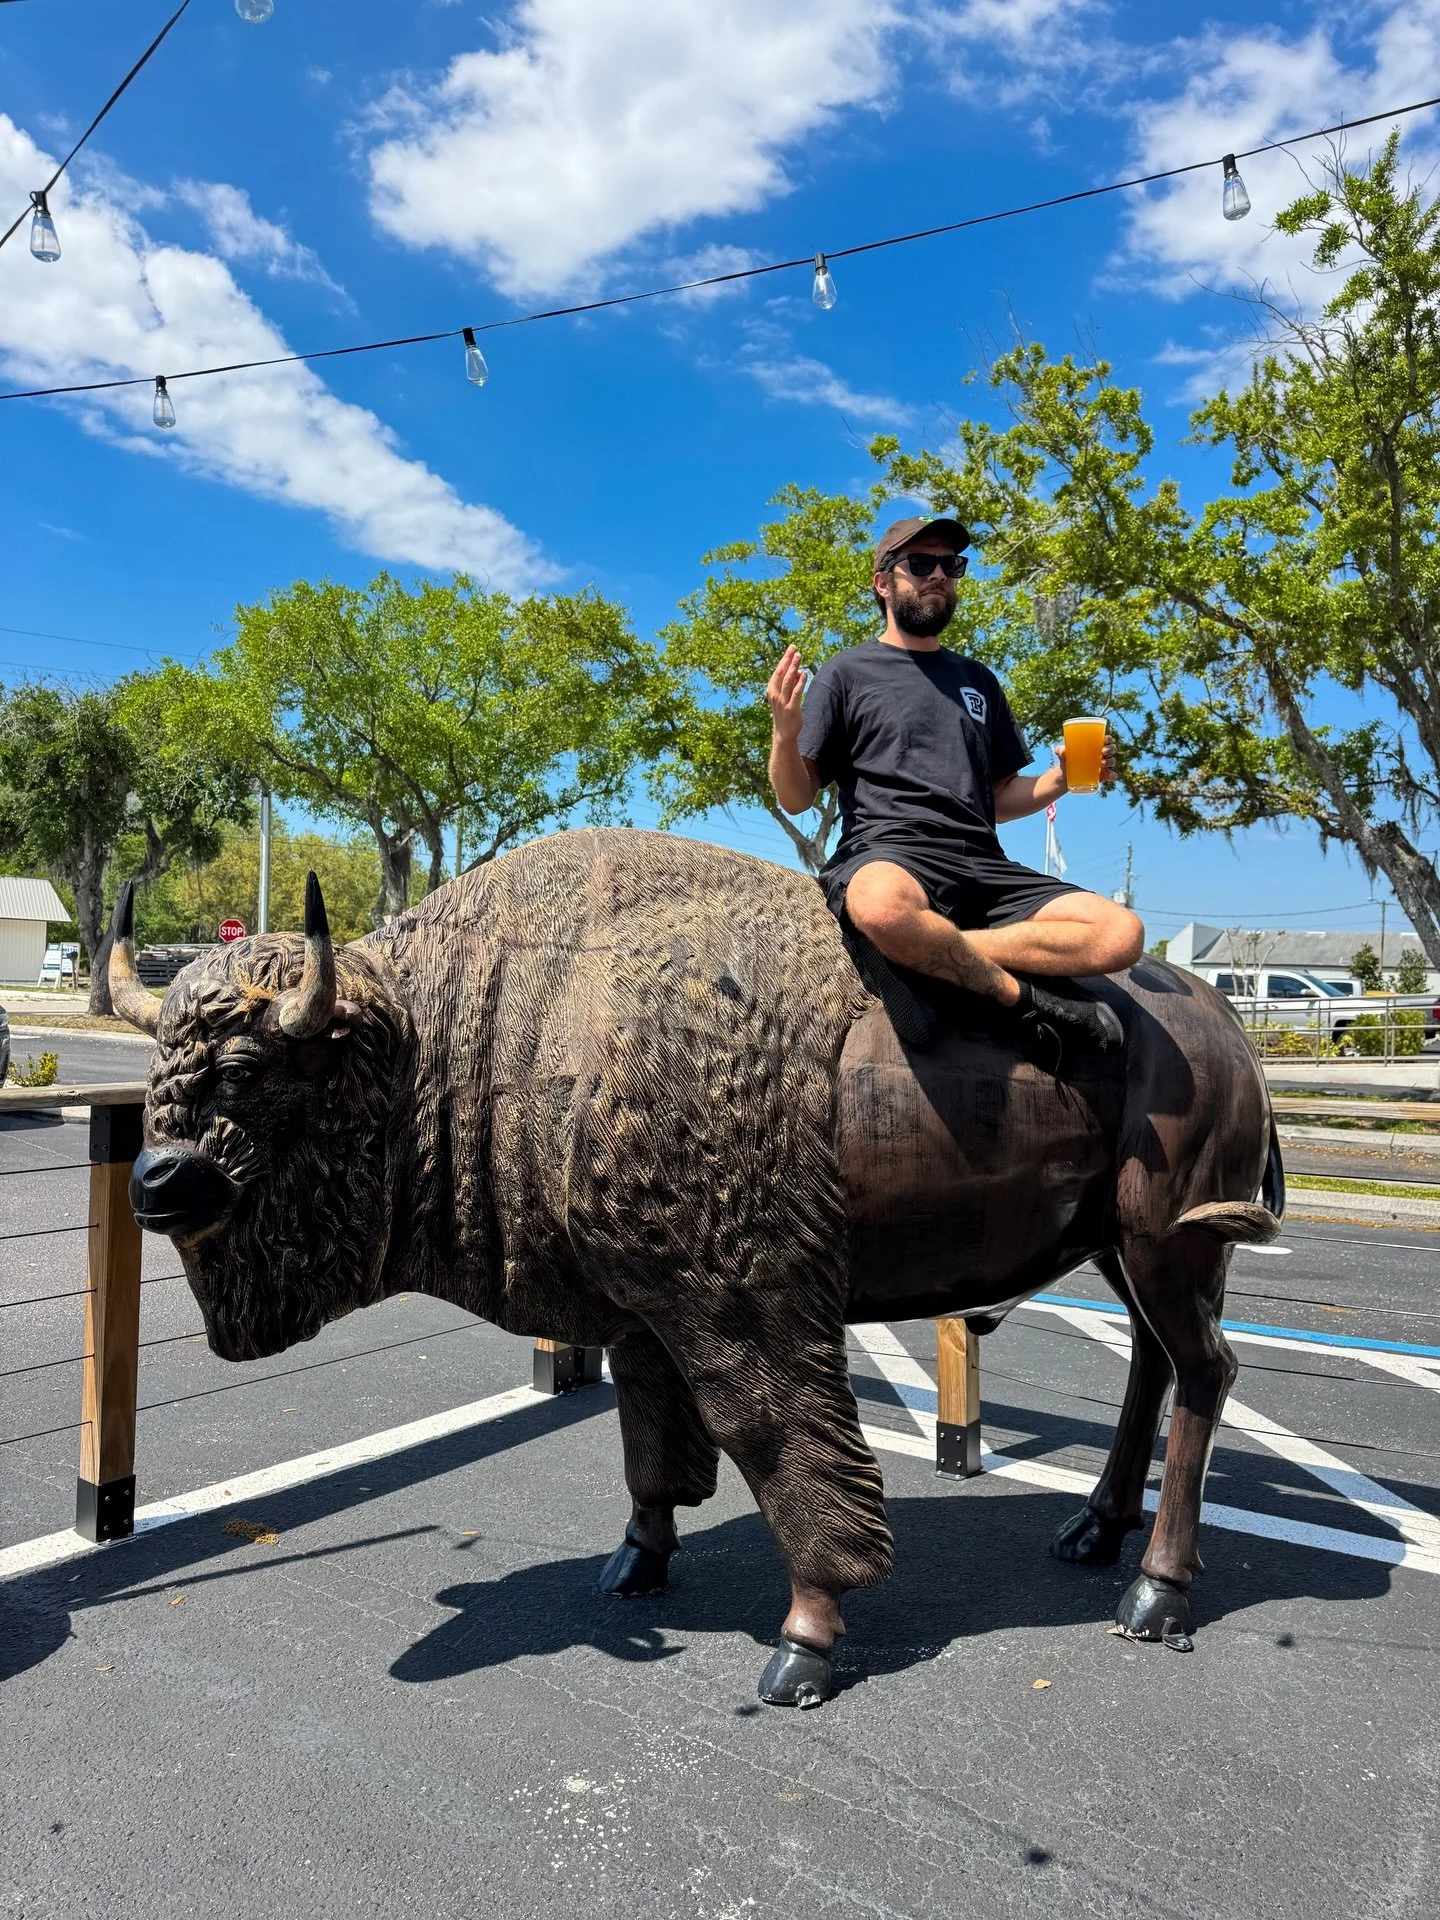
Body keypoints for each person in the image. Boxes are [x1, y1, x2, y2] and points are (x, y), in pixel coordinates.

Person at [766, 514, 1144, 1054]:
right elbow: (796, 798)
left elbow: (998, 799)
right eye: (920, 564)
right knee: (879, 907)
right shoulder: (848, 671)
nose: (939, 574)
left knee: (1120, 933)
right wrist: (785, 735)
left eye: (952, 564)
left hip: (984, 864)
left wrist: (1060, 779)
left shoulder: (980, 680)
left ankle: (924, 954)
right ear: (882, 582)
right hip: (893, 855)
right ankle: (1020, 999)